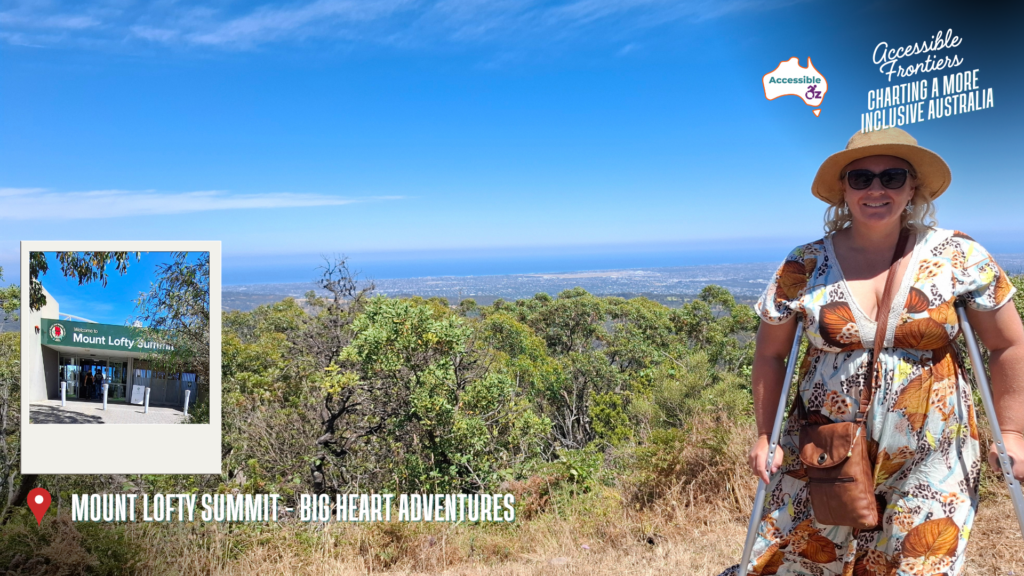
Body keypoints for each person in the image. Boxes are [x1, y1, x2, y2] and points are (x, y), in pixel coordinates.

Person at [719, 127, 1024, 575]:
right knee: (807, 559)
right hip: (824, 448)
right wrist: (765, 437)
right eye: (860, 178)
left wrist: (1012, 434)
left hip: (934, 451)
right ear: (843, 190)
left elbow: (1007, 344)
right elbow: (770, 355)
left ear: (912, 186)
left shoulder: (960, 256)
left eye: (892, 177)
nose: (876, 189)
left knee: (919, 562)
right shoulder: (803, 265)